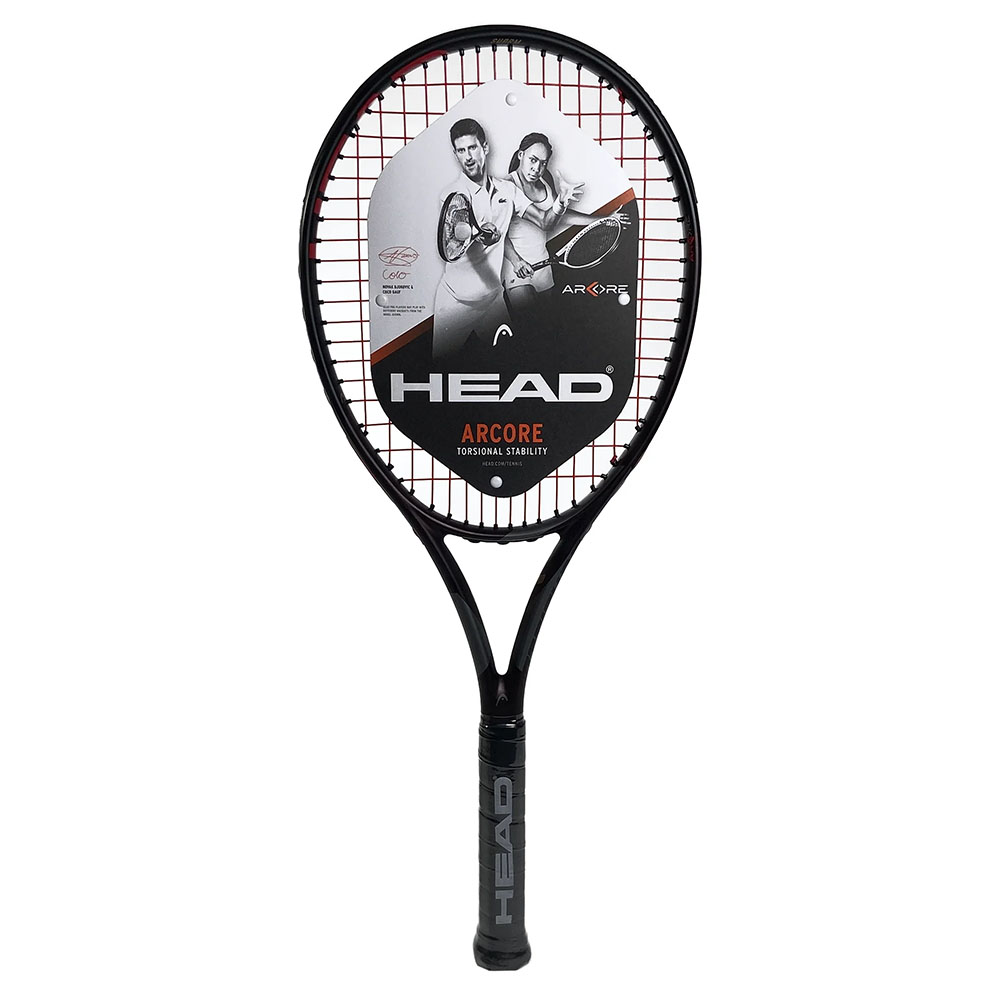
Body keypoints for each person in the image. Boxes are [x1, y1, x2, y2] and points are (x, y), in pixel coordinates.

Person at [432, 119, 582, 358]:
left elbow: (545, 221)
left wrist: (561, 202)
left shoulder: (507, 190)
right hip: (456, 302)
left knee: (510, 361)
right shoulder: (451, 194)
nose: (468, 157)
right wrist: (480, 234)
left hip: (493, 300)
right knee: (440, 367)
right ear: (455, 154)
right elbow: (457, 235)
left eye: (472, 148)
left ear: (485, 148)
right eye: (461, 150)